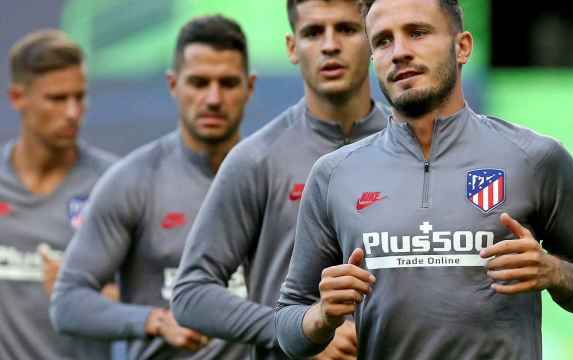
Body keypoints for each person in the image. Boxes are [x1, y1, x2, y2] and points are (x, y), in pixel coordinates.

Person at [274, 0, 573, 359]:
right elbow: (288, 322)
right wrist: (322, 316)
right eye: (383, 41)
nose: (400, 52)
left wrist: (553, 272)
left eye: (417, 33)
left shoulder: (536, 158)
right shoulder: (334, 175)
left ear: (462, 46)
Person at [170, 1, 388, 359]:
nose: (330, 45)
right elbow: (191, 294)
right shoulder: (256, 159)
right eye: (313, 32)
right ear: (292, 47)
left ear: (372, 40)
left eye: (347, 30)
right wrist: (305, 328)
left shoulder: (413, 147)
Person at [50, 15, 253, 359]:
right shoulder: (133, 181)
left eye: (228, 83)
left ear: (249, 87)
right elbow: (68, 301)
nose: (214, 98)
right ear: (173, 84)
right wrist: (154, 321)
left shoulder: (274, 176)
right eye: (199, 83)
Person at [0, 29, 118, 359]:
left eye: (79, 97)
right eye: (57, 99)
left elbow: (151, 303)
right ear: (17, 98)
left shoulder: (113, 182)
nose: (72, 112)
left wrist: (84, 300)